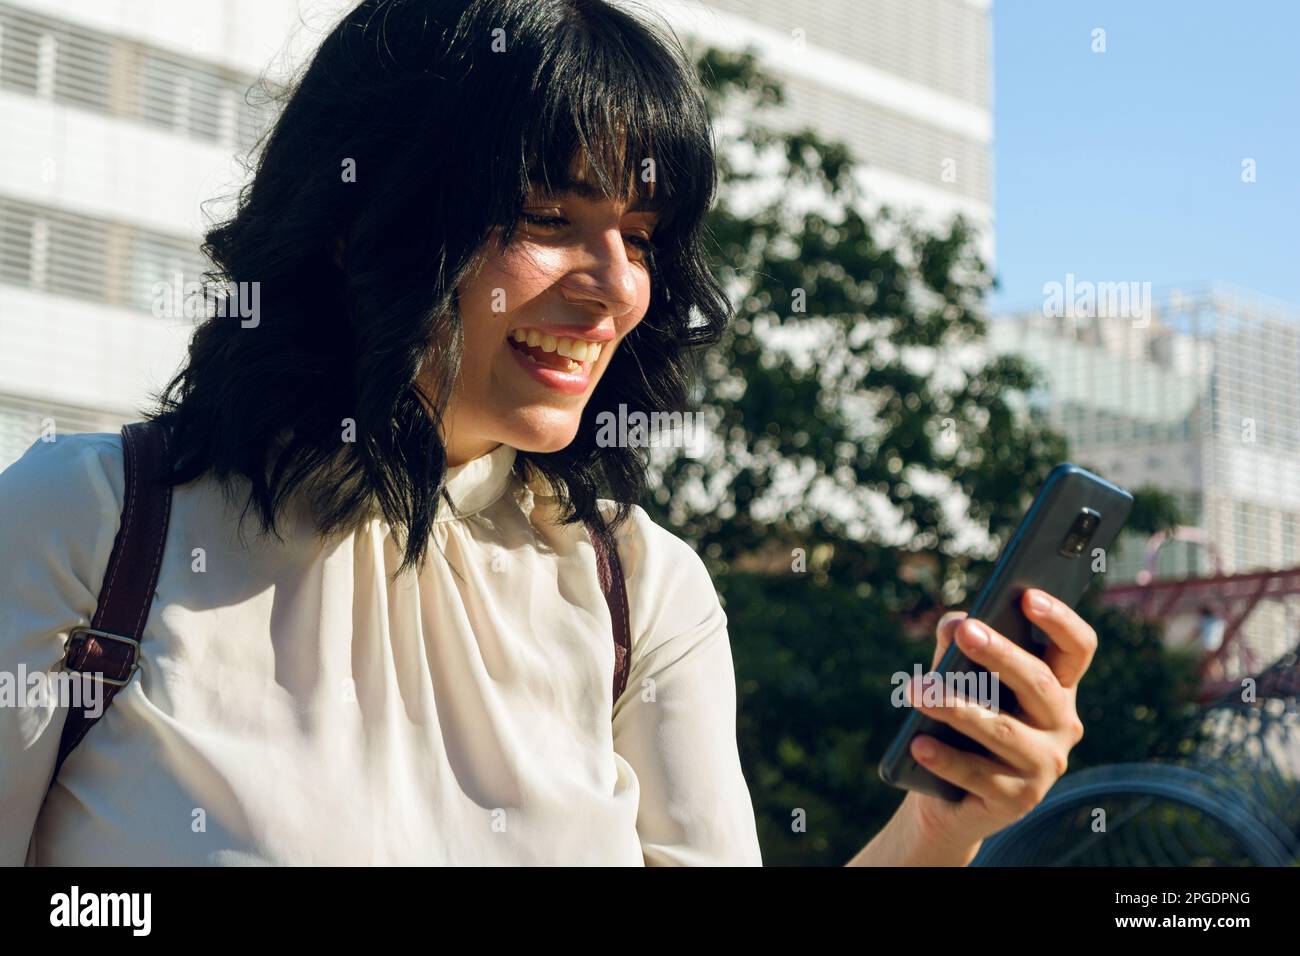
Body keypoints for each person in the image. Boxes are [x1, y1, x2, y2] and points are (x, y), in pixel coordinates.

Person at [0, 0, 1096, 866]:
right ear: (357, 222)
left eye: (642, 234)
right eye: (548, 220)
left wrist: (940, 828)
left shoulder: (644, 588)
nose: (616, 288)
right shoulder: (89, 523)